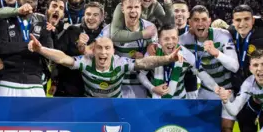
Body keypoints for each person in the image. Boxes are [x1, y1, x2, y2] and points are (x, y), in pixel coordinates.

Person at [180, 5, 239, 132]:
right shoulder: (184, 40)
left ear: (209, 20)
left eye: (203, 19)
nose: (200, 23)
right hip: (207, 90)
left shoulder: (222, 36)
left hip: (228, 91)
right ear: (190, 23)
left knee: (227, 131)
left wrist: (217, 53)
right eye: (195, 20)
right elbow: (197, 70)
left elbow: (235, 66)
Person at [28, 35, 183, 98]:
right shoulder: (86, 62)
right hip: (91, 107)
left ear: (113, 51)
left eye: (107, 48)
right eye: (100, 48)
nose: (103, 52)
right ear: (93, 50)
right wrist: (41, 49)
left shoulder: (120, 63)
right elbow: (63, 59)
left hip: (115, 107)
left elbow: (145, 62)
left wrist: (168, 58)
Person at [0, 0, 53, 97]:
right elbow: (1, 47)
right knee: (1, 115)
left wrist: (16, 48)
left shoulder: (43, 23)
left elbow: (48, 50)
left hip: (35, 84)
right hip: (7, 81)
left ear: (37, 3)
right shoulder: (5, 20)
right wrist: (32, 47)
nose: (29, 0)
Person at [101, 0, 158, 98]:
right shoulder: (109, 30)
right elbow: (98, 54)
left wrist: (145, 56)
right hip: (117, 84)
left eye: (136, 7)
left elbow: (155, 57)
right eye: (129, 7)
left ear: (141, 8)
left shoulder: (150, 27)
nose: (133, 10)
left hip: (141, 84)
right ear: (122, 9)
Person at [138, 26, 215, 99]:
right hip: (154, 99)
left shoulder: (187, 55)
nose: (170, 42)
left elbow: (201, 73)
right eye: (166, 39)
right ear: (159, 40)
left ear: (178, 39)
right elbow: (141, 74)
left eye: (174, 38)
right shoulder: (152, 53)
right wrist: (153, 88)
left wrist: (217, 88)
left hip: (179, 100)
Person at [54, 2, 106, 97]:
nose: (91, 18)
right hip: (69, 88)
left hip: (96, 90)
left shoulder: (107, 34)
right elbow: (58, 52)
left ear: (102, 17)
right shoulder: (72, 30)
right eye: (88, 14)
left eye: (95, 15)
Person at [108, 0, 173, 43]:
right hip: (123, 45)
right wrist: (142, 34)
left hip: (142, 44)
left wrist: (168, 4)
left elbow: (168, 23)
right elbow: (115, 35)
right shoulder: (124, 6)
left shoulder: (154, 5)